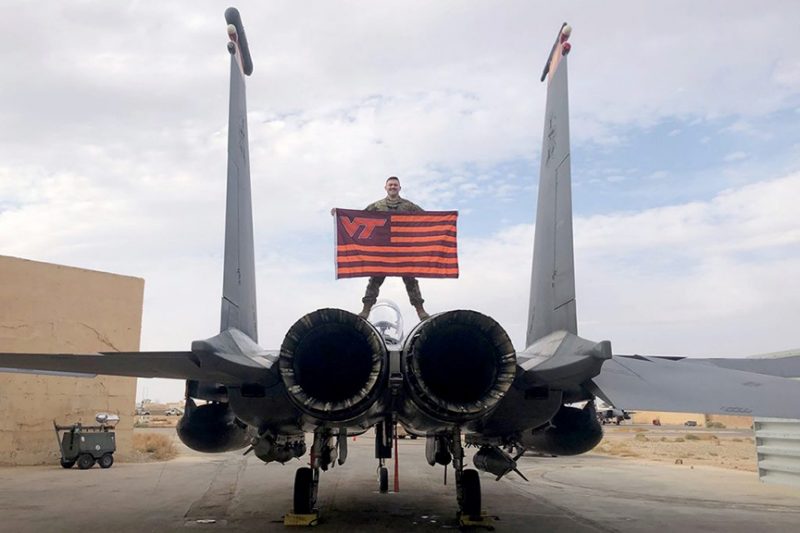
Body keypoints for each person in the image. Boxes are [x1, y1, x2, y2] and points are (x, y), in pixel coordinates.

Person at [359, 176, 430, 320]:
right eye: (390, 185)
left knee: (411, 280)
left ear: (399, 188)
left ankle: (420, 310)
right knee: (375, 280)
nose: (393, 187)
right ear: (385, 187)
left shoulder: (409, 206)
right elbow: (359, 218)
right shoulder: (377, 206)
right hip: (383, 249)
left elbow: (427, 217)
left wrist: (449, 217)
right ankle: (366, 310)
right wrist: (338, 213)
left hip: (403, 249)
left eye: (395, 185)